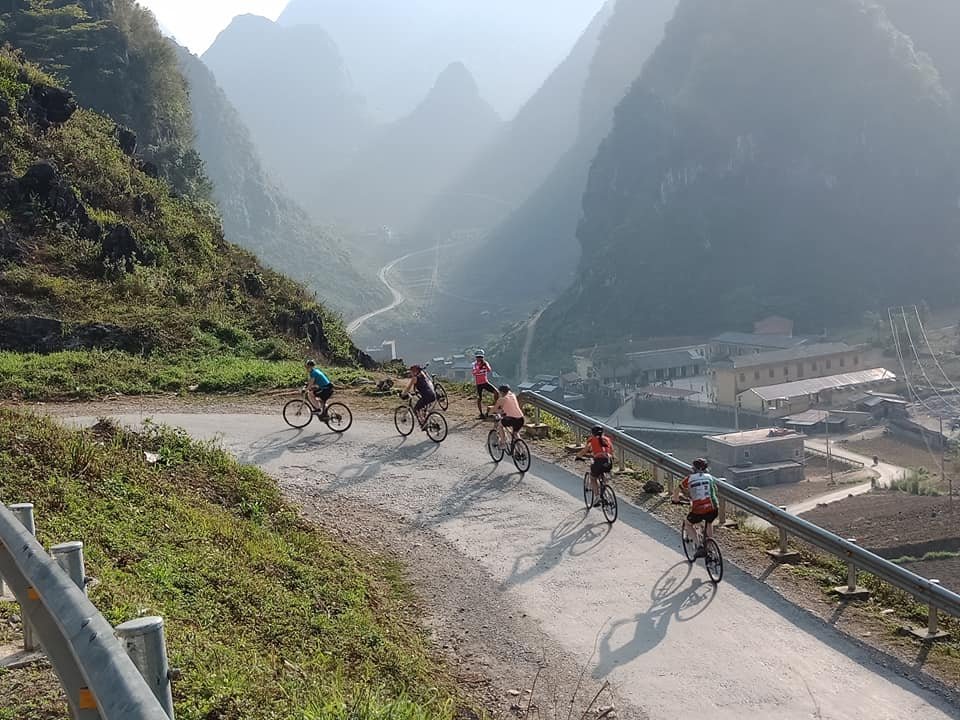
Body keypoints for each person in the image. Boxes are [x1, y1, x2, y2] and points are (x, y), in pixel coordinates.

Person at [673, 458, 720, 556]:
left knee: (688, 523)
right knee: (709, 522)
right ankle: (710, 547)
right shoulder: (709, 477)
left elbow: (677, 490)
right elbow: (715, 490)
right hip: (714, 507)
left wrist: (676, 500)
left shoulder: (689, 478)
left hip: (698, 509)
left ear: (693, 468)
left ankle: (699, 546)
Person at [576, 425, 614, 506]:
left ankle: (597, 498)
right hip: (609, 461)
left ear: (592, 433)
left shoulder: (592, 439)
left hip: (598, 461)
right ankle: (604, 492)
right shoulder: (607, 439)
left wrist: (578, 456)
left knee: (593, 478)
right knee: (603, 474)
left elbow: (585, 450)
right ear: (603, 432)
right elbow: (611, 451)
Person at [489, 384, 525, 449]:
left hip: (512, 419)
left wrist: (489, 414)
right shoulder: (513, 395)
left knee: (500, 425)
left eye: (499, 392)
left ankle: (503, 443)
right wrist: (502, 411)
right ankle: (521, 450)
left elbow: (494, 409)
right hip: (521, 418)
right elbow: (509, 406)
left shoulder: (502, 399)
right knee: (515, 433)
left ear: (501, 392)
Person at [402, 364, 437, 429]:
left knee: (416, 409)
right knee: (423, 407)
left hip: (427, 396)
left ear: (415, 372)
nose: (411, 373)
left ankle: (423, 423)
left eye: (411, 371)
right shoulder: (423, 375)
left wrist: (403, 394)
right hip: (432, 394)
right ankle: (427, 419)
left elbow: (408, 387)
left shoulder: (414, 378)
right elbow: (423, 386)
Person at [472, 349, 499, 419]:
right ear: (476, 357)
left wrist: (485, 365)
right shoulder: (474, 364)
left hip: (485, 382)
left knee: (496, 392)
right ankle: (481, 413)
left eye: (480, 357)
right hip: (479, 384)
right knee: (479, 398)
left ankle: (494, 407)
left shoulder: (485, 363)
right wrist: (479, 367)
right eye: (478, 357)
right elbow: (474, 373)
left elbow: (489, 370)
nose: (479, 358)